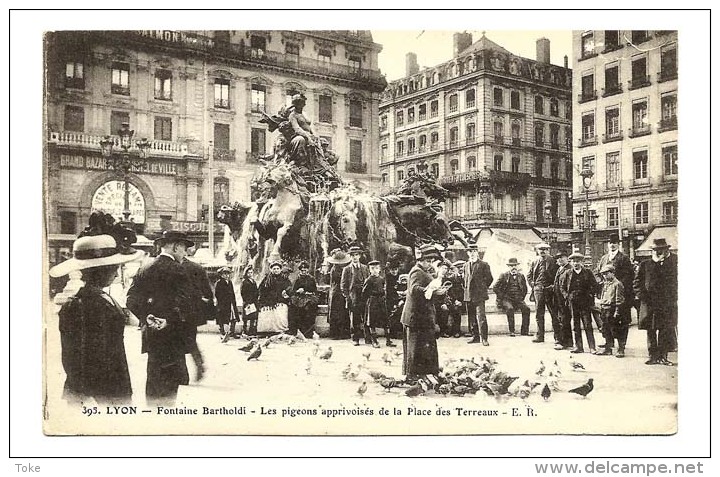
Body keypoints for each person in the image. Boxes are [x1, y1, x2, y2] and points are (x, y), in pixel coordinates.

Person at [50, 233, 143, 405]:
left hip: (110, 385)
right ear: (99, 271)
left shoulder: (96, 298)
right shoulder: (82, 305)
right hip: (102, 391)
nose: (116, 275)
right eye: (114, 269)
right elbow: (79, 357)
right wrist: (90, 396)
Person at [126, 230, 196, 405]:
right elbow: (186, 304)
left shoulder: (145, 267)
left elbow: (130, 300)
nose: (185, 253)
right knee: (170, 386)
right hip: (172, 336)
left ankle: (152, 418)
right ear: (176, 247)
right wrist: (169, 320)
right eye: (184, 248)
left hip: (151, 335)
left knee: (154, 378)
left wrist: (147, 317)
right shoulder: (179, 270)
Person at [401, 244, 449, 381]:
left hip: (423, 316)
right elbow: (413, 289)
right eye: (427, 261)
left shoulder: (425, 271)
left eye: (431, 261)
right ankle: (411, 375)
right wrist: (428, 290)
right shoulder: (416, 271)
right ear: (421, 260)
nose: (429, 263)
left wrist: (436, 292)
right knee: (414, 348)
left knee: (425, 345)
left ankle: (425, 372)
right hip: (415, 316)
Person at [634, 238, 677, 366]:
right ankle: (653, 356)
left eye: (661, 250)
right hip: (649, 303)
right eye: (655, 250)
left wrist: (675, 298)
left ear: (666, 250)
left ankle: (663, 356)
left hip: (666, 303)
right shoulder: (645, 264)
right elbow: (637, 283)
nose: (658, 252)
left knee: (665, 330)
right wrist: (642, 296)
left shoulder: (673, 263)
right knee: (650, 330)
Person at [180, 252, 214, 378]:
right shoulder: (196, 267)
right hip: (192, 311)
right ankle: (198, 361)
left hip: (178, 310)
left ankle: (184, 374)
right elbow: (208, 292)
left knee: (177, 342)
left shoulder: (173, 267)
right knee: (190, 339)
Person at [595, 233, 635, 332]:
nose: (612, 245)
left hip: (618, 293)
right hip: (606, 293)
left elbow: (629, 275)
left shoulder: (623, 258)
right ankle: (609, 343)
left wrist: (617, 284)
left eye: (614, 243)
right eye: (610, 243)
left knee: (619, 318)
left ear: (618, 244)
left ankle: (621, 344)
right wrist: (600, 282)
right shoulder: (604, 258)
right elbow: (597, 272)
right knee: (606, 318)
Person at [562, 252, 600, 354]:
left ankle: (592, 347)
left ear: (581, 262)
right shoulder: (568, 273)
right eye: (574, 261)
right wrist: (567, 296)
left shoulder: (587, 272)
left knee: (588, 324)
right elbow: (562, 287)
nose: (576, 263)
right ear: (571, 262)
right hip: (573, 303)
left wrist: (590, 295)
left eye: (578, 261)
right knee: (575, 325)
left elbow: (595, 285)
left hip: (585, 302)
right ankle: (579, 347)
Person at [462, 244, 494, 345]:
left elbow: (489, 279)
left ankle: (484, 338)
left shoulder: (484, 264)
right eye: (470, 252)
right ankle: (475, 337)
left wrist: (482, 287)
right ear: (467, 253)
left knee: (481, 317)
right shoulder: (465, 265)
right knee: (471, 317)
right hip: (468, 295)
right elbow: (464, 280)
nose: (472, 253)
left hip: (479, 295)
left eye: (474, 251)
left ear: (477, 252)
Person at [527, 242, 558, 344]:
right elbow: (529, 275)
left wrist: (553, 286)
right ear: (537, 251)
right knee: (539, 314)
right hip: (538, 290)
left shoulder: (553, 261)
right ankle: (540, 336)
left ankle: (557, 337)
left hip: (550, 290)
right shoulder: (534, 261)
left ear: (548, 250)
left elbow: (557, 275)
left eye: (544, 249)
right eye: (540, 249)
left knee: (554, 313)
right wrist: (533, 285)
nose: (542, 251)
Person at [492, 258, 531, 337]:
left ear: (517, 266)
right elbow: (495, 287)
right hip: (507, 299)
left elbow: (525, 289)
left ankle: (524, 331)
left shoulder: (521, 276)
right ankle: (512, 331)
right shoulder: (504, 275)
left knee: (527, 309)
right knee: (510, 309)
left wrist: (521, 298)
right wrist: (502, 296)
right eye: (511, 266)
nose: (513, 267)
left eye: (515, 265)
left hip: (518, 299)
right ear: (508, 267)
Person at [341, 246, 370, 346]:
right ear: (350, 257)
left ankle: (368, 338)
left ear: (360, 256)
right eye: (352, 255)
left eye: (356, 255)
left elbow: (369, 282)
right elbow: (343, 285)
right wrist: (347, 297)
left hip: (364, 296)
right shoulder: (347, 269)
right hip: (353, 297)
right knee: (354, 319)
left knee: (366, 317)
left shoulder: (365, 268)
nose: (355, 257)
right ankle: (355, 338)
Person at [595, 264, 626, 357]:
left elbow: (619, 299)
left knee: (616, 330)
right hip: (604, 309)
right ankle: (608, 348)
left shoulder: (617, 284)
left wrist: (617, 311)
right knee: (606, 330)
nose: (604, 276)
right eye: (603, 274)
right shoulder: (605, 283)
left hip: (612, 309)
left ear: (612, 273)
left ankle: (621, 349)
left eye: (606, 273)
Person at [362, 260, 394, 348]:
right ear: (369, 270)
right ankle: (374, 341)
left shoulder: (381, 279)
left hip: (381, 301)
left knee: (385, 321)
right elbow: (364, 292)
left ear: (379, 269)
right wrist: (370, 299)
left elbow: (384, 288)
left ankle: (388, 340)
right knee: (372, 322)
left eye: (376, 268)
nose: (375, 270)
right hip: (372, 301)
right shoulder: (368, 280)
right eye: (372, 268)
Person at [257, 259, 292, 333]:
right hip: (268, 301)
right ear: (271, 269)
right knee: (266, 312)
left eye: (277, 269)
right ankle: (267, 331)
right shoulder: (267, 279)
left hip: (281, 300)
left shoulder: (284, 279)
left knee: (281, 312)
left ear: (280, 269)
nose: (276, 270)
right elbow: (261, 289)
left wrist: (286, 292)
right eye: (274, 269)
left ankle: (281, 330)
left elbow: (290, 288)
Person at [288, 260, 319, 337]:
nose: (304, 271)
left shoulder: (311, 279)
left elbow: (315, 291)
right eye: (302, 270)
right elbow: (292, 291)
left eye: (305, 270)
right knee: (295, 309)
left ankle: (308, 332)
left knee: (310, 308)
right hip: (298, 298)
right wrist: (298, 291)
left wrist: (309, 293)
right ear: (300, 270)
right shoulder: (297, 279)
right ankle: (296, 331)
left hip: (309, 298)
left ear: (307, 269)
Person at [326, 249, 351, 339]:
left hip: (340, 292)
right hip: (336, 292)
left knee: (343, 312)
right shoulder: (335, 269)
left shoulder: (341, 269)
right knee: (336, 313)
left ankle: (344, 332)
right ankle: (336, 333)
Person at [553, 251, 573, 350]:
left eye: (562, 257)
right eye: (558, 258)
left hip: (565, 299)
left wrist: (566, 297)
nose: (560, 259)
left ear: (567, 258)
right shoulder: (560, 269)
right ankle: (567, 342)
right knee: (561, 319)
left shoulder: (569, 269)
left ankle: (565, 342)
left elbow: (569, 286)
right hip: (557, 299)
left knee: (565, 320)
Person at [215, 267, 240, 341]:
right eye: (224, 274)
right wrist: (223, 301)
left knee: (233, 317)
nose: (226, 275)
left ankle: (232, 332)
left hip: (231, 303)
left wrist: (233, 301)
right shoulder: (219, 283)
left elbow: (232, 293)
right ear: (221, 275)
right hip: (223, 304)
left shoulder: (230, 282)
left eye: (227, 274)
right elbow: (217, 294)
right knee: (223, 318)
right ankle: (223, 332)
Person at [444, 260, 465, 338]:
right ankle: (455, 331)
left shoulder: (468, 277)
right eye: (458, 267)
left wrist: (462, 301)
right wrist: (456, 300)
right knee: (455, 309)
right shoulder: (452, 278)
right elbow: (450, 291)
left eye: (462, 267)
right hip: (455, 301)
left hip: (466, 300)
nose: (460, 269)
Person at [384, 260, 404, 340]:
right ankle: (393, 332)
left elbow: (403, 286)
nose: (394, 271)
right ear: (390, 270)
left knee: (400, 313)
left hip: (400, 297)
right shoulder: (388, 277)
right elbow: (388, 290)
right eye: (392, 270)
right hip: (391, 298)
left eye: (396, 269)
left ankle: (400, 331)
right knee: (392, 315)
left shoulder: (400, 276)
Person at [239, 264, 259, 337]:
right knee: (246, 317)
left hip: (254, 301)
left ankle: (251, 330)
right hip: (248, 302)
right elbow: (243, 293)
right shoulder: (244, 282)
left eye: (251, 272)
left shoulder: (253, 281)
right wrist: (246, 302)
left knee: (253, 316)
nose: (250, 274)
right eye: (248, 273)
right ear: (246, 273)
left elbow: (256, 291)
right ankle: (244, 330)